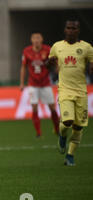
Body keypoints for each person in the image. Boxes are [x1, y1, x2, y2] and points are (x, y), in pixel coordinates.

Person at [47, 19, 93, 166]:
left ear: (78, 30)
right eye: (68, 28)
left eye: (74, 28)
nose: (71, 30)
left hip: (81, 91)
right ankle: (62, 135)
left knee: (78, 127)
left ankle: (70, 155)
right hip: (65, 89)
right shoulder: (57, 46)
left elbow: (92, 63)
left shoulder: (87, 47)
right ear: (65, 30)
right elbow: (49, 62)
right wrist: (51, 63)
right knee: (67, 122)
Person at [20, 32, 59, 137]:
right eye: (34, 38)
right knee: (34, 107)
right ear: (31, 40)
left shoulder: (48, 50)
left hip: (45, 83)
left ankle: (57, 128)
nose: (36, 40)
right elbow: (23, 67)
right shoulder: (26, 51)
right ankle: (38, 132)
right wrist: (22, 83)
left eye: (38, 38)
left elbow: (56, 63)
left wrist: (58, 72)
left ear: (42, 40)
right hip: (33, 84)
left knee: (52, 107)